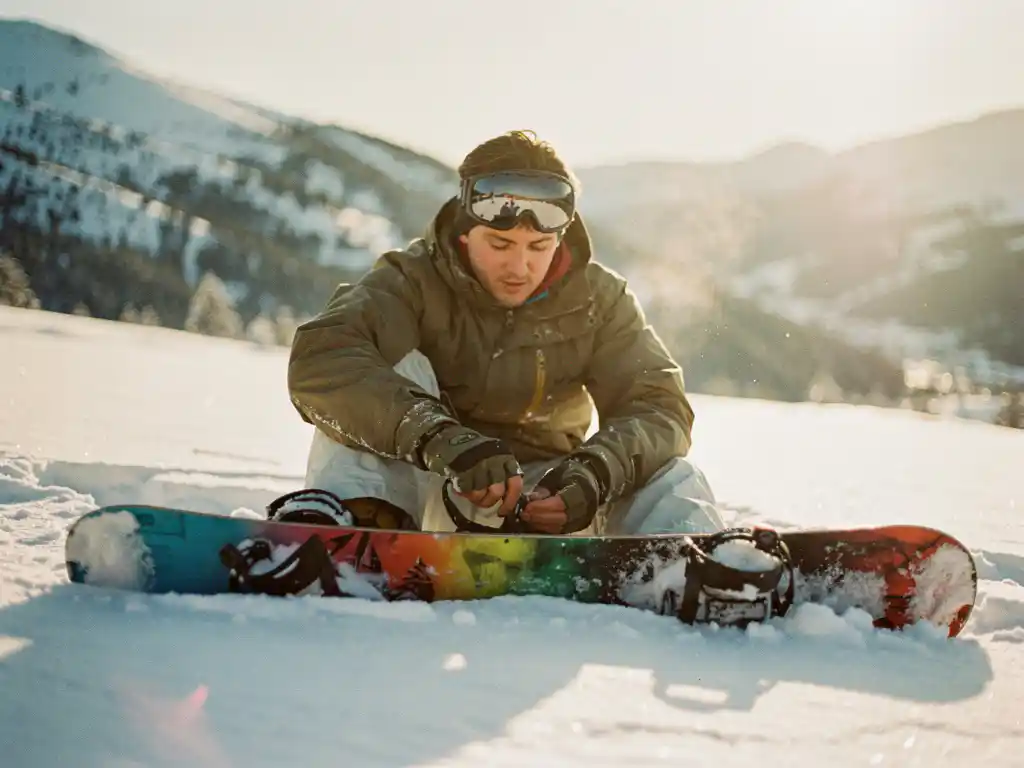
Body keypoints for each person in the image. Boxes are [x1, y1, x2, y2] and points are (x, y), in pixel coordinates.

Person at [284, 130, 725, 537]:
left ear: (561, 236)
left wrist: (593, 473)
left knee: (667, 469)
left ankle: (692, 563)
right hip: (432, 488)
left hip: (553, 502)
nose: (520, 268)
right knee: (386, 372)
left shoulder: (601, 298)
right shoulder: (411, 280)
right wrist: (441, 438)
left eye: (538, 247)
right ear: (464, 232)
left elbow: (659, 405)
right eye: (499, 245)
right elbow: (322, 357)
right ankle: (355, 534)